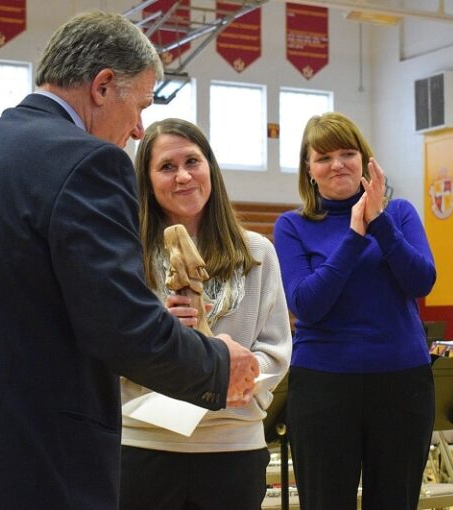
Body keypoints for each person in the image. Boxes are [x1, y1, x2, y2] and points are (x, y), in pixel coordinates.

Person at [0, 12, 259, 509]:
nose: (138, 130)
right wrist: (218, 365)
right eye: (139, 107)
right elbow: (120, 325)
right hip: (16, 466)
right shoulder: (87, 161)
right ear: (103, 85)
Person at [119, 118, 292, 510]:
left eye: (192, 161)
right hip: (145, 443)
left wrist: (231, 377)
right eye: (166, 166)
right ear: (146, 180)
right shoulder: (126, 254)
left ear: (210, 167)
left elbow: (276, 352)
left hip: (232, 446)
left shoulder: (257, 253)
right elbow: (108, 346)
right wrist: (156, 331)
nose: (183, 176)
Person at [273, 112, 437, 510]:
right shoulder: (292, 226)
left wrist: (377, 221)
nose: (337, 164)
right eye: (324, 157)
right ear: (309, 169)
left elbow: (421, 281)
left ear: (365, 161)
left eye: (347, 153)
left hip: (403, 383)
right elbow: (307, 305)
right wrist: (353, 234)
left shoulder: (399, 216)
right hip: (323, 388)